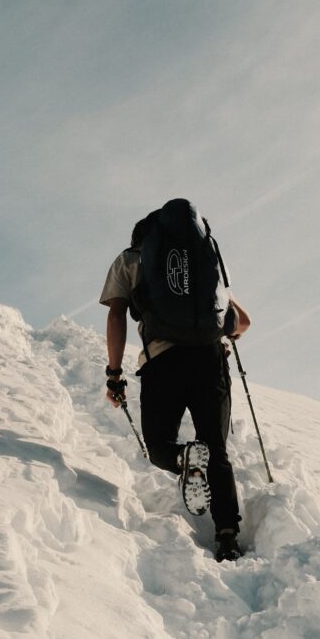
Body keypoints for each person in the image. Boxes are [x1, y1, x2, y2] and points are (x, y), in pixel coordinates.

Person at [99, 201, 251, 562]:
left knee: (159, 447)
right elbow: (243, 323)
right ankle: (227, 535)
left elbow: (116, 316)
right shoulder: (204, 264)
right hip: (210, 360)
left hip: (162, 361)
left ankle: (184, 457)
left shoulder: (128, 260)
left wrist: (114, 374)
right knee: (217, 449)